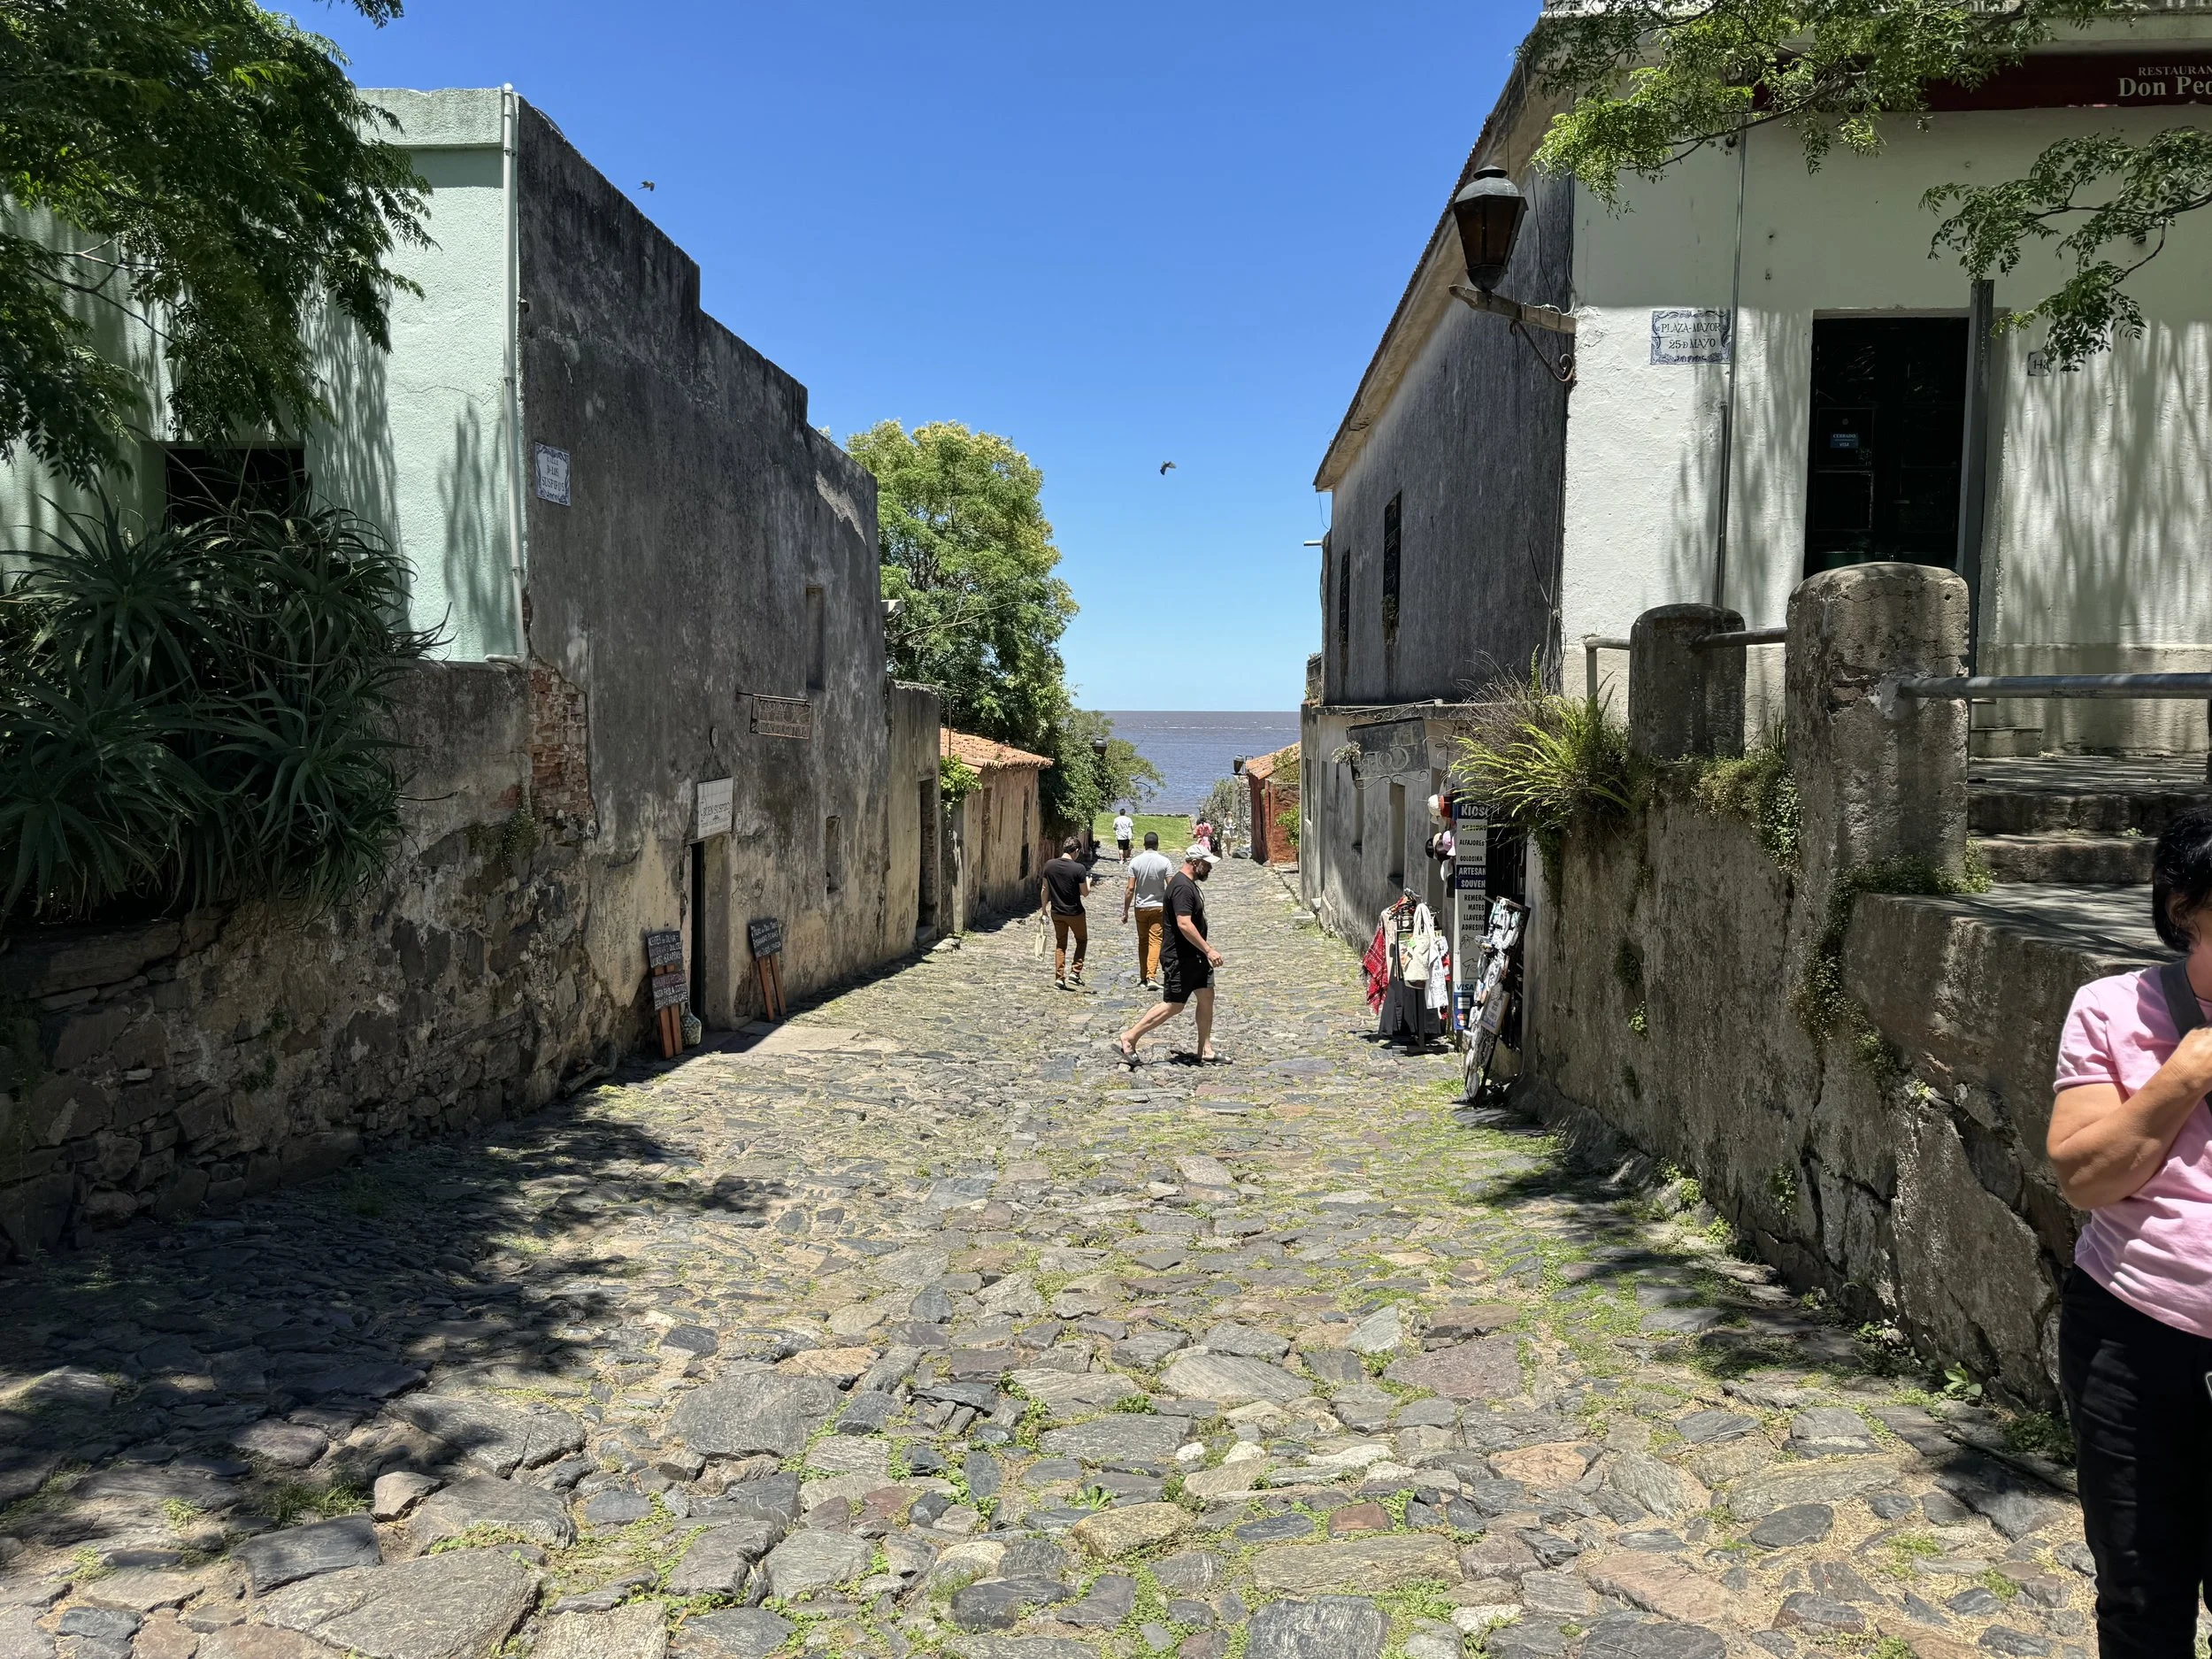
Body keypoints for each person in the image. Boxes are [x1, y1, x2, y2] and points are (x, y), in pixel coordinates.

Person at [2047, 805, 2212, 1656]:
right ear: (2186, 910)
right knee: (2142, 1599)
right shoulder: (2112, 1009)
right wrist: (2185, 1072)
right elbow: (2083, 1177)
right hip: (2133, 1337)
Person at [1117, 845, 1222, 1064]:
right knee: (1174, 1004)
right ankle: (1129, 1037)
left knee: (1206, 996)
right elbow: (1184, 924)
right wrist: (1209, 949)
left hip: (1195, 957)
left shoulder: (1187, 884)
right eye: (1207, 864)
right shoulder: (1182, 887)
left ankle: (1205, 1049)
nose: (1210, 868)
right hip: (1181, 957)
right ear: (1194, 862)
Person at [1039, 836, 1093, 988]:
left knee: (1061, 944)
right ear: (1076, 851)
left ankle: (1059, 978)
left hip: (1057, 911)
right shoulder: (1079, 868)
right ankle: (1075, 972)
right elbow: (1085, 893)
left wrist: (1044, 910)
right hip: (1075, 912)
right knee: (1081, 940)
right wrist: (1088, 883)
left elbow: (1044, 889)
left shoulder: (1049, 865)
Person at [1122, 831, 1174, 988]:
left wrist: (1125, 910)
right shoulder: (1165, 862)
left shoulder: (1135, 862)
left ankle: (1143, 976)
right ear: (1157, 845)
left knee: (1143, 942)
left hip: (1141, 907)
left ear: (1144, 845)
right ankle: (1151, 976)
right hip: (1158, 906)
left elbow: (1130, 888)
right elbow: (1171, 886)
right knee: (1155, 941)